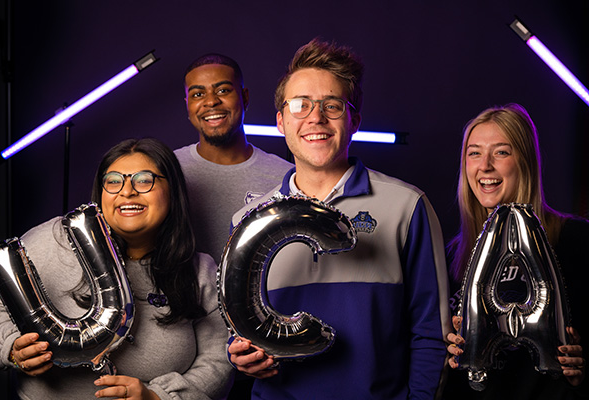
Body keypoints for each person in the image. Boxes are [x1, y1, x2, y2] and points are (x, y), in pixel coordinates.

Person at [227, 38, 451, 399]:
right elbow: (240, 328)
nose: (315, 117)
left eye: (331, 105)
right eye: (300, 105)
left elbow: (431, 332)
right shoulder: (250, 219)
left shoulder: (407, 206)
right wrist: (240, 354)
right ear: (281, 121)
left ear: (355, 120)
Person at [0, 138, 233, 399]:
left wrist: (158, 397)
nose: (127, 191)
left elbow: (219, 358)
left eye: (144, 180)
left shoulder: (199, 270)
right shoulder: (56, 239)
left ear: (172, 191)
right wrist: (11, 348)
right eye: (114, 180)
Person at [442, 103, 589, 399]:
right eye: (474, 153)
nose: (485, 165)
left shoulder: (576, 239)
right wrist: (449, 355)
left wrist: (582, 369)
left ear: (525, 162)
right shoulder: (455, 254)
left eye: (501, 152)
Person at [174, 53, 293, 265]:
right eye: (198, 94)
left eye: (223, 90)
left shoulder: (286, 177)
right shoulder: (168, 171)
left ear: (244, 97)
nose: (211, 101)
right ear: (187, 106)